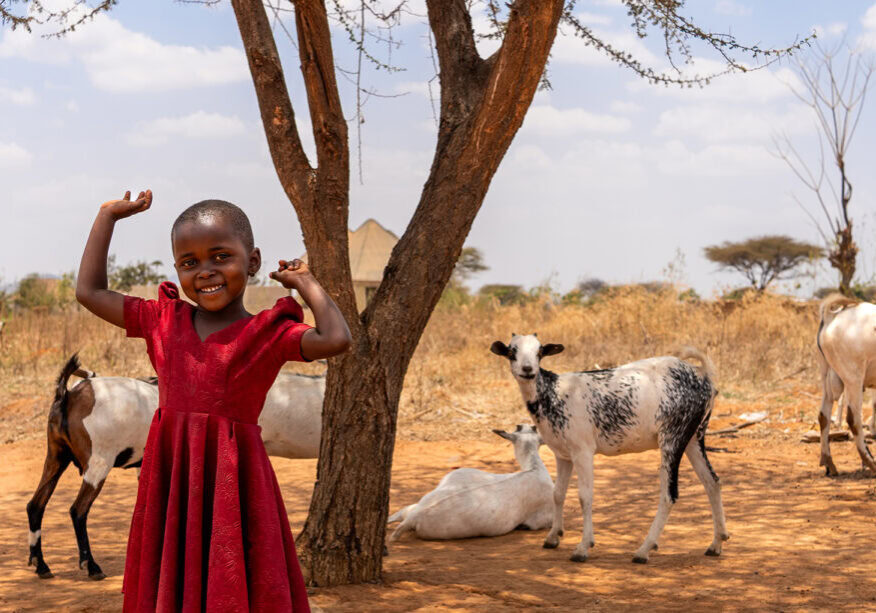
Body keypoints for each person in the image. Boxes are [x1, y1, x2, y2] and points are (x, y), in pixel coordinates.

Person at [76, 190, 351, 612]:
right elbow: (90, 292)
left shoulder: (267, 334)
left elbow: (334, 339)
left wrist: (306, 282)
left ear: (253, 261)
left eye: (220, 256)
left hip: (235, 477)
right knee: (172, 572)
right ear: (178, 271)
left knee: (235, 573)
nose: (205, 271)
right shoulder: (163, 321)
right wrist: (107, 217)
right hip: (173, 472)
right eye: (189, 263)